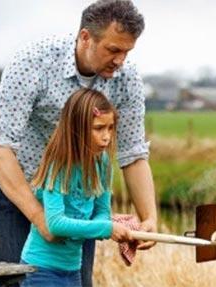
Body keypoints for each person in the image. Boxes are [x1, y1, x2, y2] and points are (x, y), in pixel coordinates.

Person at [0, 1, 157, 286]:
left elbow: (133, 153)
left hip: (75, 188)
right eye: (113, 50)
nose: (121, 60)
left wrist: (149, 218)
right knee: (16, 278)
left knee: (76, 280)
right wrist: (40, 217)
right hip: (11, 176)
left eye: (127, 51)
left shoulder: (127, 78)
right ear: (85, 37)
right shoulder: (33, 62)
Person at [20, 88, 133, 287]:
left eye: (110, 128)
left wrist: (106, 226)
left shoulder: (103, 162)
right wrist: (106, 229)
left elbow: (101, 211)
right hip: (41, 270)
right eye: (98, 128)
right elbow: (55, 223)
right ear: (76, 128)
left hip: (73, 269)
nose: (106, 137)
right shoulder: (58, 164)